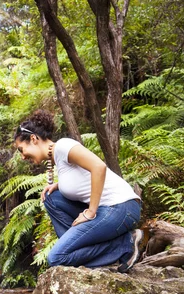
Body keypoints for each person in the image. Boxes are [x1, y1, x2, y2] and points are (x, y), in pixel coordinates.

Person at [14, 110, 145, 272]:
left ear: (33, 139)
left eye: (21, 149)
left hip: (121, 208)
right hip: (110, 211)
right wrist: (58, 185)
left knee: (56, 258)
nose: (22, 157)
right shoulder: (57, 159)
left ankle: (125, 245)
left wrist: (90, 212)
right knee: (50, 197)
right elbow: (80, 180)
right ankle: (80, 249)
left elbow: (99, 167)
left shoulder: (63, 146)